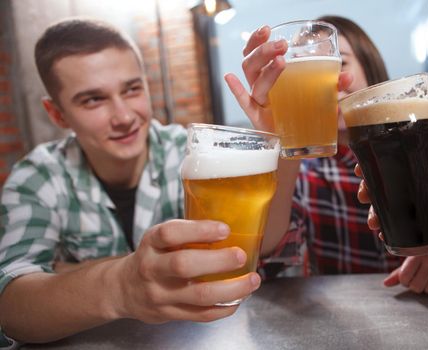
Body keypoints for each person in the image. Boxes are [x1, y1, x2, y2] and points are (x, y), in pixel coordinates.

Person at [0, 18, 314, 345]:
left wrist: (285, 142)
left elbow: (256, 247)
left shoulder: (193, 153)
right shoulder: (38, 175)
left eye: (132, 89)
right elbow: (9, 304)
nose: (123, 116)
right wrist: (120, 285)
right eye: (93, 99)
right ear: (57, 114)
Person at [249, 16, 428, 293]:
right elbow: (271, 262)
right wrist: (282, 136)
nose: (320, 81)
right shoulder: (306, 167)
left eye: (339, 61)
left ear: (369, 68)